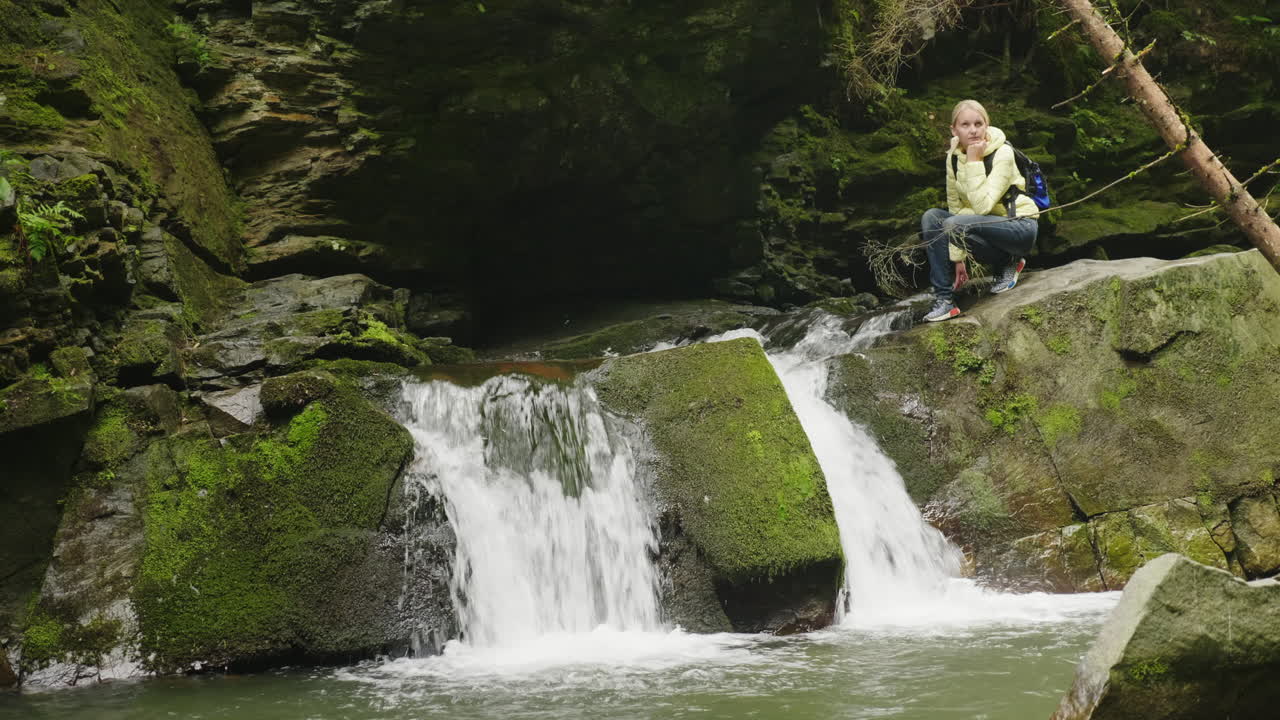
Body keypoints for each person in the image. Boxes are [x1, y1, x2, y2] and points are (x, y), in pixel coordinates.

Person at [920, 99, 1039, 322]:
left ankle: (1010, 259)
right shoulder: (953, 158)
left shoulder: (1002, 153)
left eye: (978, 123)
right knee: (933, 218)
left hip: (1019, 228)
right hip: (980, 226)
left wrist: (974, 160)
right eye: (965, 125)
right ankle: (945, 301)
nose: (973, 130)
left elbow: (982, 206)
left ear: (986, 125)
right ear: (954, 130)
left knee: (953, 223)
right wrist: (957, 259)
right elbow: (956, 207)